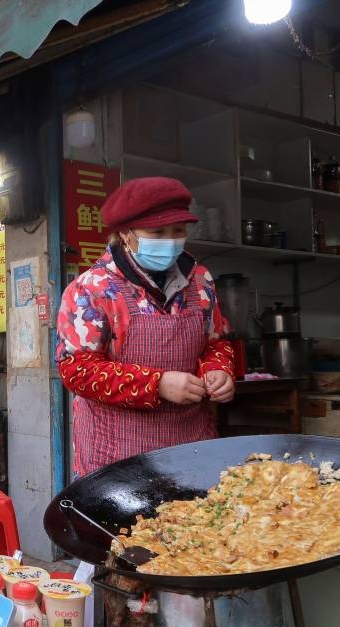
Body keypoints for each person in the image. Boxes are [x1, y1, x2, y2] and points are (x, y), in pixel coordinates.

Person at [56, 177, 236, 478]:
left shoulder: (201, 281)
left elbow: (217, 342)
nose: (170, 240)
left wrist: (218, 370)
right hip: (118, 454)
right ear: (126, 234)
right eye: (157, 232)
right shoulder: (93, 289)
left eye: (178, 231)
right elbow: (77, 369)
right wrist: (157, 384)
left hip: (191, 445)